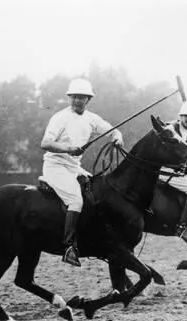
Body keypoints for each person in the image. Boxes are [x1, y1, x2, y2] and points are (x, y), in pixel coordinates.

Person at [39, 78, 124, 267]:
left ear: (88, 100)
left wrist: (117, 138)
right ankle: (68, 247)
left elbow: (113, 131)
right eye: (75, 97)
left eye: (82, 98)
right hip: (56, 166)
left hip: (74, 167)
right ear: (70, 98)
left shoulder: (92, 118)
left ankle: (96, 240)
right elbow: (45, 143)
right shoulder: (60, 117)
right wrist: (69, 148)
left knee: (96, 193)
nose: (78, 100)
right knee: (75, 201)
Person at [159, 102, 187, 247]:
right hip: (165, 170)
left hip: (177, 171)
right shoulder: (171, 128)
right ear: (180, 116)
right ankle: (182, 227)